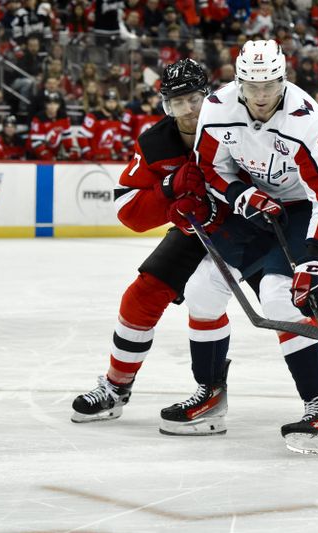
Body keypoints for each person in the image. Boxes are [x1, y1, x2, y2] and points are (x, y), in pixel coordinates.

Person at [159, 40, 318, 456]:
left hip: (303, 206)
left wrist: (315, 258)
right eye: (252, 86)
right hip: (254, 208)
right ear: (238, 82)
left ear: (283, 80)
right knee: (202, 291)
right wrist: (240, 195)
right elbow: (211, 167)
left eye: (270, 86)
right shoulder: (217, 108)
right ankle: (210, 394)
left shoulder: (305, 118)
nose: (261, 96)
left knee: (282, 301)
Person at [70, 59, 222, 423]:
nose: (187, 111)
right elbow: (129, 211)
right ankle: (116, 387)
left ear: (209, 97)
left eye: (194, 100)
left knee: (287, 300)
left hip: (246, 230)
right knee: (139, 298)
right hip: (195, 232)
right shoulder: (155, 143)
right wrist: (169, 189)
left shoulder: (234, 125)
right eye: (176, 103)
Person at [28, 91, 78, 161]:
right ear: (45, 105)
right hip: (35, 155)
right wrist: (46, 154)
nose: (52, 106)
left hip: (54, 153)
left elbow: (67, 137)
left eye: (55, 103)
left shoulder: (64, 117)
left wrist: (71, 151)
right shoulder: (38, 118)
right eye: (50, 103)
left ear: (59, 105)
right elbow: (36, 143)